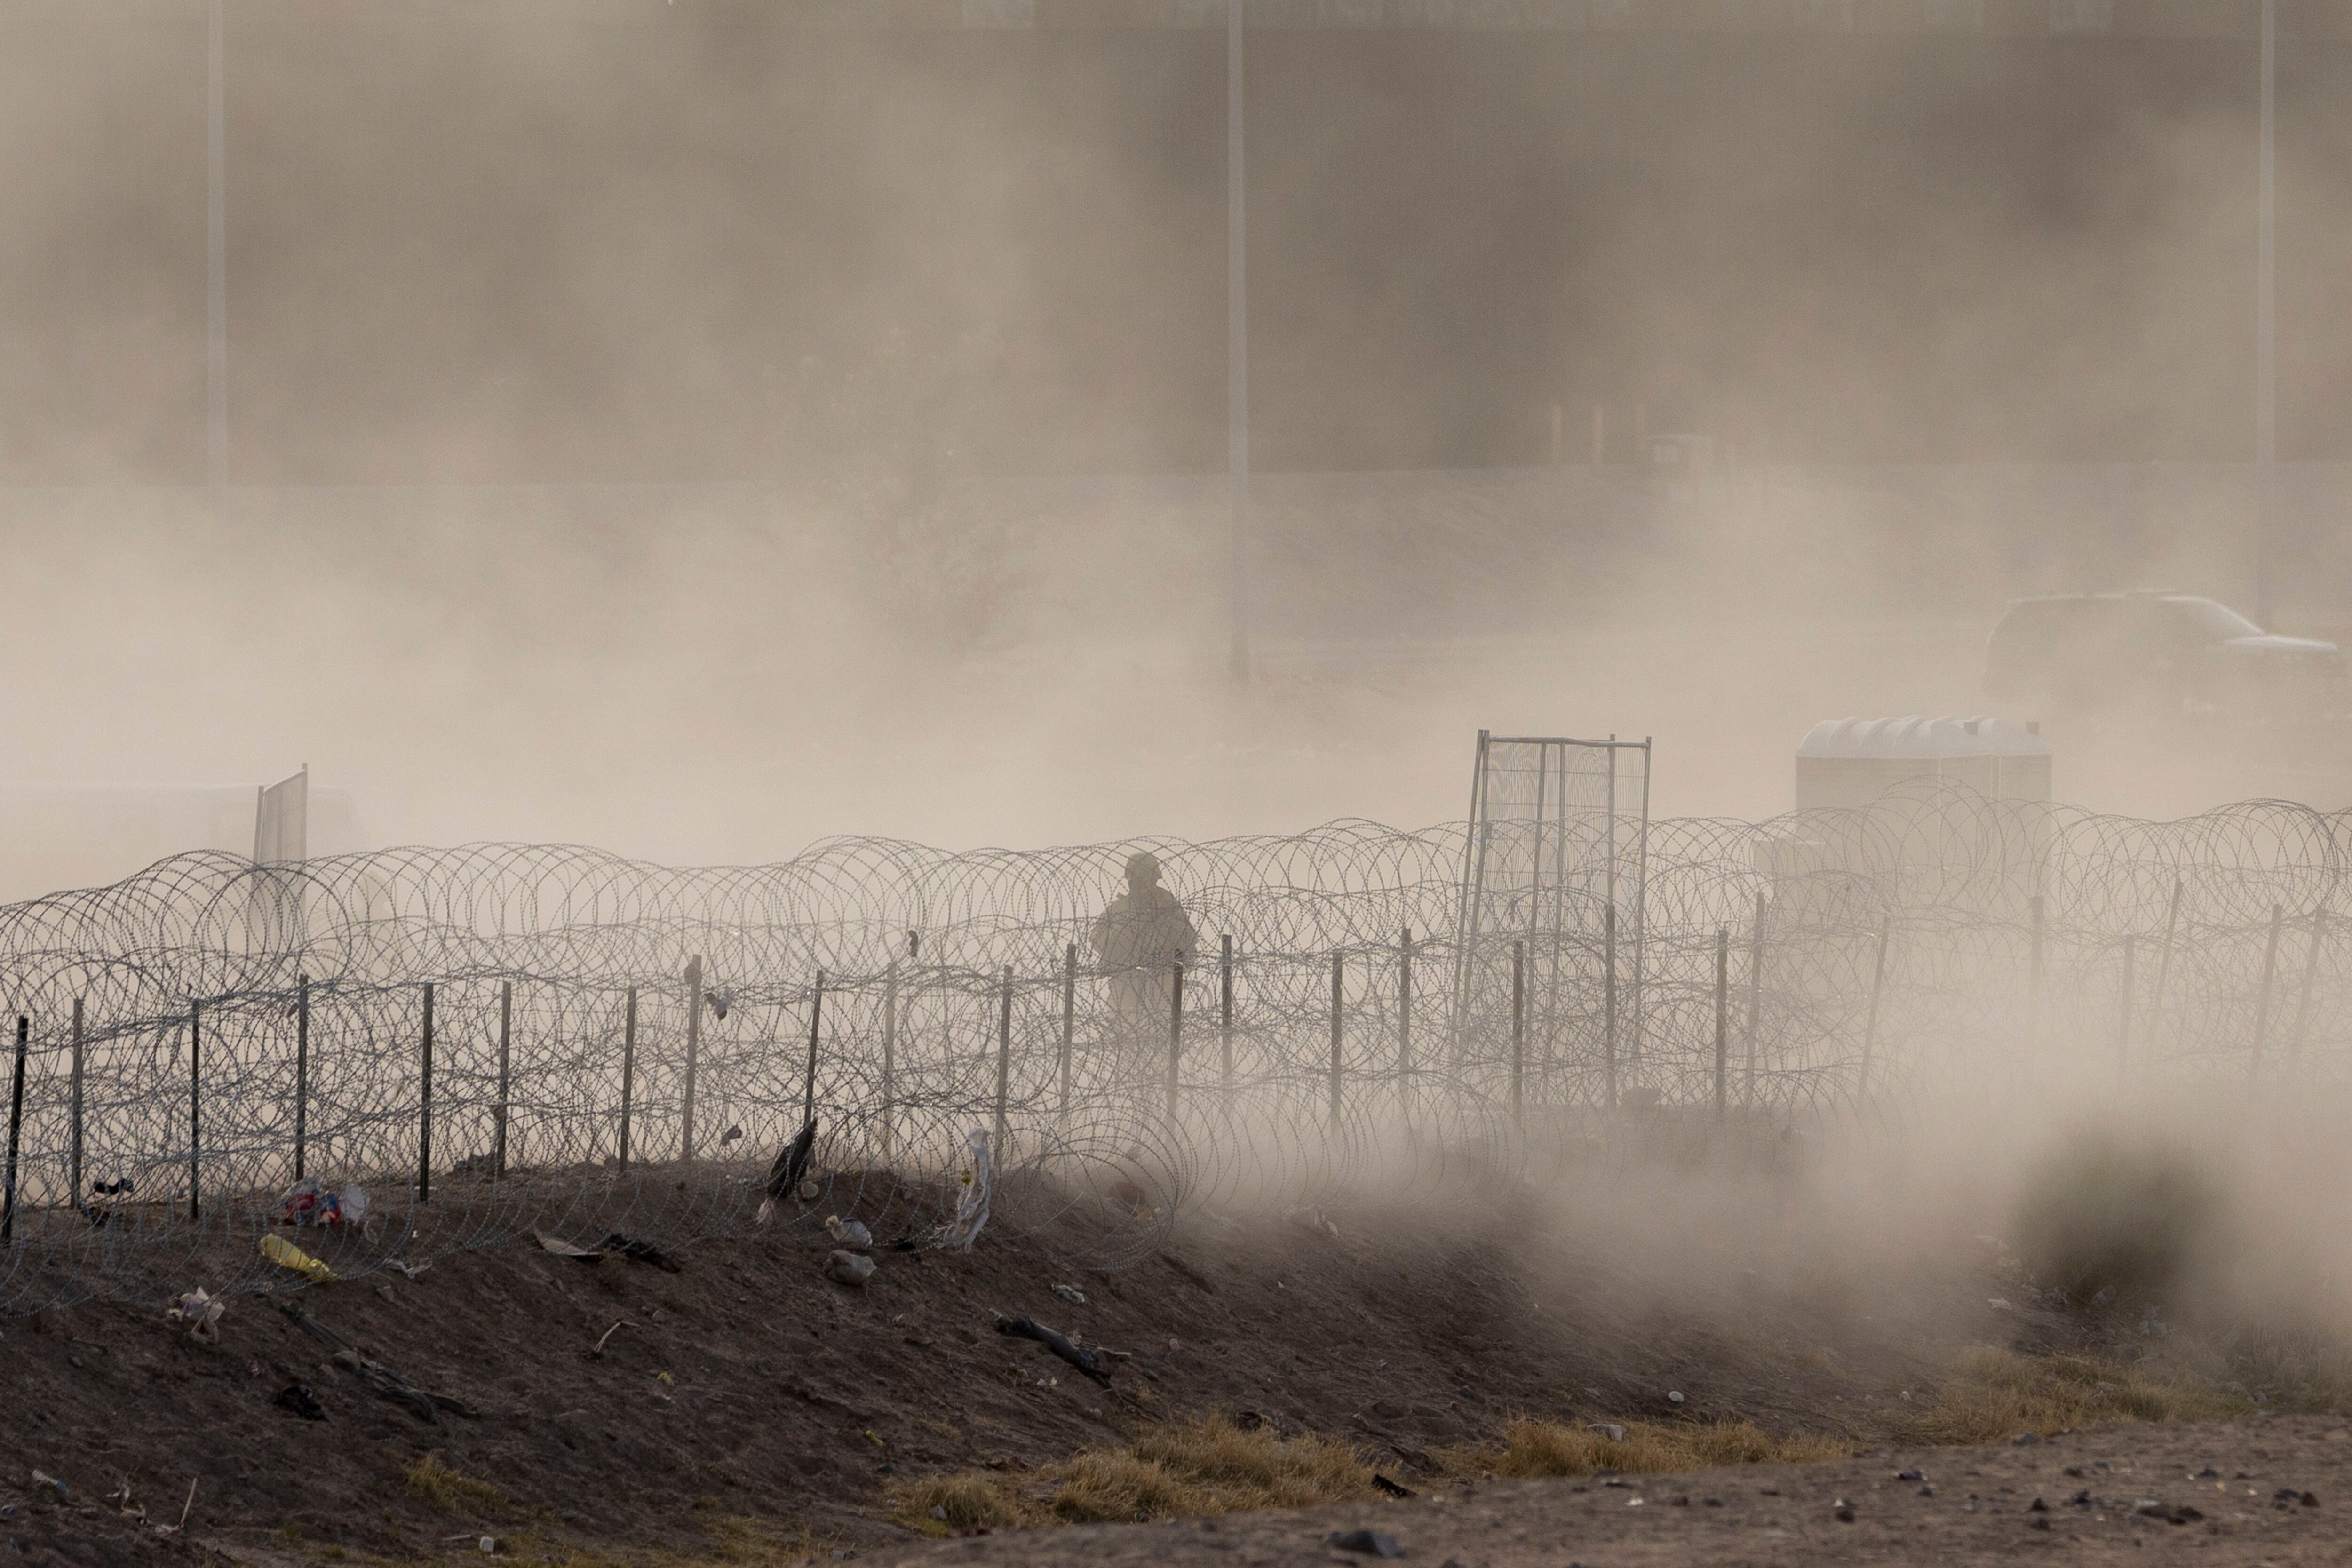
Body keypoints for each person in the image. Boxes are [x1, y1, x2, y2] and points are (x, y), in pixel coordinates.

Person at [1089, 851, 1198, 1040]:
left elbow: (1188, 940)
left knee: (1161, 1040)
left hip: (1162, 985)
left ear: (1154, 879)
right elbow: (1096, 939)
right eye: (1137, 879)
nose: (1142, 884)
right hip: (1126, 985)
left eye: (1146, 878)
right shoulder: (1119, 909)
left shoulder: (1168, 905)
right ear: (1130, 879)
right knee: (1125, 1040)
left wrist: (1163, 928)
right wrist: (1124, 934)